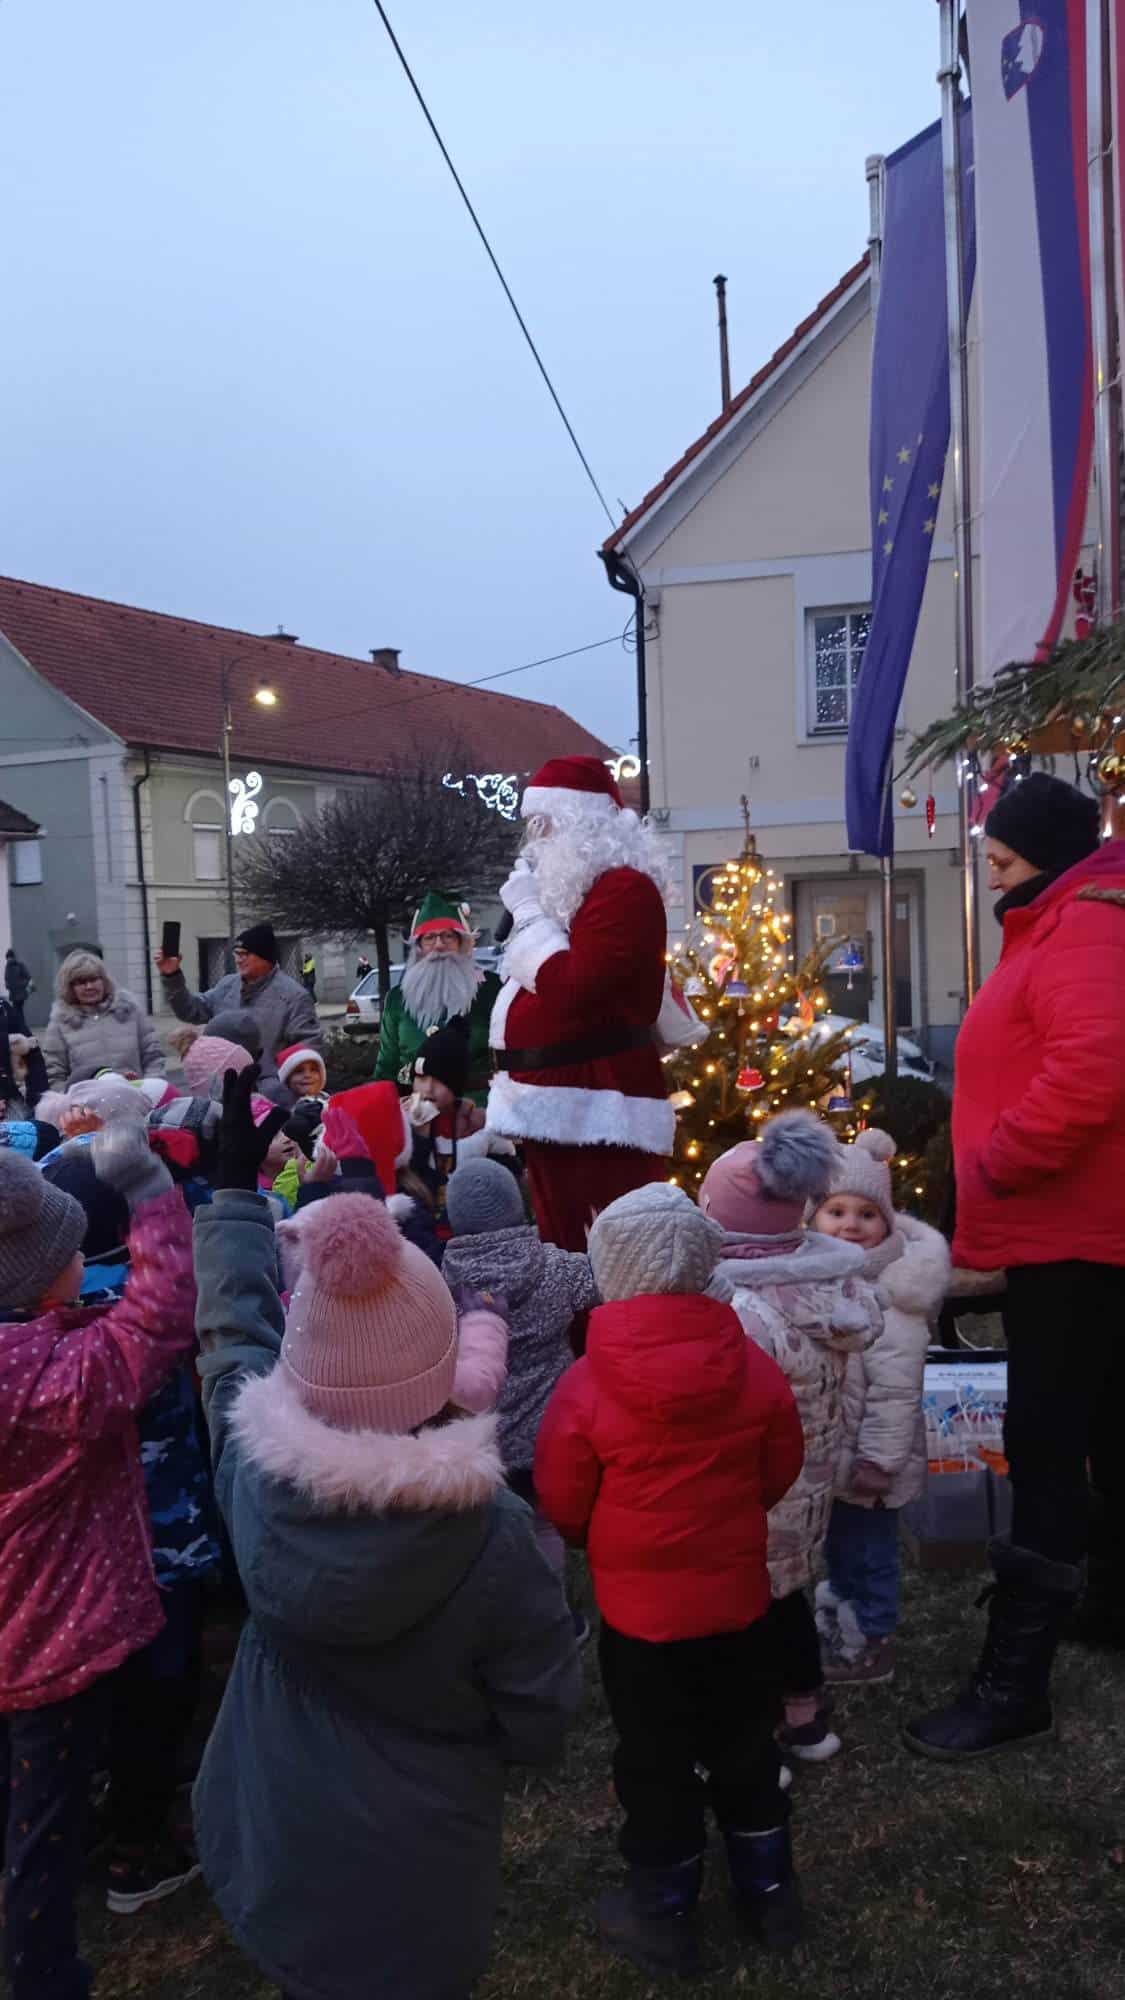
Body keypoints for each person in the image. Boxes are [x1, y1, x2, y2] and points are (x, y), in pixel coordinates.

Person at [191, 1068, 581, 2000]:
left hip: (274, 1829)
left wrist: (236, 1199)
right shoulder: (491, 1533)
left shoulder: (252, 1473)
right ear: (447, 1365)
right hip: (421, 1856)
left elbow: (232, 1344)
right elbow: (538, 1704)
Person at [905, 771, 1125, 1759]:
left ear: (1046, 853)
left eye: (999, 856)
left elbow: (1092, 1069)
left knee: (1043, 1440)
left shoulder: (1084, 926)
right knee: (1099, 1423)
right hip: (1069, 1229)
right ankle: (1108, 1603)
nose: (988, 871)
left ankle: (1013, 1684)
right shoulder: (1059, 922)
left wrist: (997, 1160)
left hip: (1072, 1233)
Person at [535, 1182, 805, 1977]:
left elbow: (562, 1495)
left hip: (640, 1623)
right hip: (738, 1606)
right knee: (746, 1743)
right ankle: (769, 1891)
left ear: (611, 1270)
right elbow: (779, 1465)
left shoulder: (586, 1384)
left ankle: (663, 1907)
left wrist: (595, 1541)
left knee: (654, 1759)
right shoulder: (751, 1366)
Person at [0, 1126, 196, 2000]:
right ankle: (40, 1974)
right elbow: (158, 1319)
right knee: (43, 1827)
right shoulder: (54, 1380)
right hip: (51, 1643)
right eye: (73, 1248)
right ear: (37, 1277)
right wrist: (150, 1192)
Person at [701, 1112, 880, 1763]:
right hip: (808, 1490)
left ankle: (752, 1739)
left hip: (749, 1496)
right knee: (789, 1601)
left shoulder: (737, 1312)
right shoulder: (831, 1288)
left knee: (744, 1616)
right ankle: (806, 1717)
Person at [486, 757, 673, 1251]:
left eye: (542, 825)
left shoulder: (624, 889)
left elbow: (576, 987)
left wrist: (528, 913)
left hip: (597, 1105)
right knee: (564, 1245)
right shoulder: (580, 895)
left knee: (609, 1249)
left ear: (581, 824)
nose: (533, 842)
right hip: (559, 1105)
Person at [810, 1130, 950, 1685]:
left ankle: (872, 1638)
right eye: (836, 1211)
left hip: (870, 1465)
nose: (850, 1224)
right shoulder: (825, 1283)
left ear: (888, 1224)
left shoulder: (892, 1301)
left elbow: (895, 1393)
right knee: (840, 1546)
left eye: (867, 1214)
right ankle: (839, 1614)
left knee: (870, 1554)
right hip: (835, 1458)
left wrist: (880, 1461)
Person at [441, 1157, 599, 1583]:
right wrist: (599, 1247)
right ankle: (554, 1601)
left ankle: (506, 1601)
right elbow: (605, 1283)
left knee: (491, 1533)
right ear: (517, 1203)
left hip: (482, 1436)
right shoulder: (556, 1268)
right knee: (545, 1527)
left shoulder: (442, 1283)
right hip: (552, 1432)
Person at [154, 920, 321, 1094]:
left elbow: (308, 1049)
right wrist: (172, 975)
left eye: (245, 954)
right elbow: (190, 1010)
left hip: (268, 1095)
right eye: (237, 953)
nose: (239, 959)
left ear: (265, 957)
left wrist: (280, 1087)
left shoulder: (294, 997)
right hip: (222, 1091)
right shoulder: (228, 985)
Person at [374, 893, 499, 1106]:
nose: (439, 946)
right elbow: (386, 1068)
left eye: (448, 936)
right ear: (419, 947)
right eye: (429, 938)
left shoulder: (490, 990)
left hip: (479, 1110)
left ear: (462, 943)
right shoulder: (397, 1000)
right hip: (416, 1112)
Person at [41, 949, 166, 1090]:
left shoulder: (130, 1010)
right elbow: (54, 1074)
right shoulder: (60, 1022)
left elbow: (153, 1056)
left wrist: (149, 1089)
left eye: (94, 979)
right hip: (87, 1102)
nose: (89, 986)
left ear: (104, 980)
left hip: (137, 1097)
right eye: (81, 982)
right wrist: (74, 1099)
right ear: (70, 987)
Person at [4, 947, 31, 1033]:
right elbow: (6, 979)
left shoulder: (19, 965)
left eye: (9, 957)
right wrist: (8, 986)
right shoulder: (9, 967)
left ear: (11, 957)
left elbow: (27, 977)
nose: (9, 960)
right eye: (8, 958)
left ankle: (23, 1030)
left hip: (19, 994)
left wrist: (19, 985)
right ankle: (23, 1030)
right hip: (15, 994)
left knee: (18, 1013)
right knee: (18, 1013)